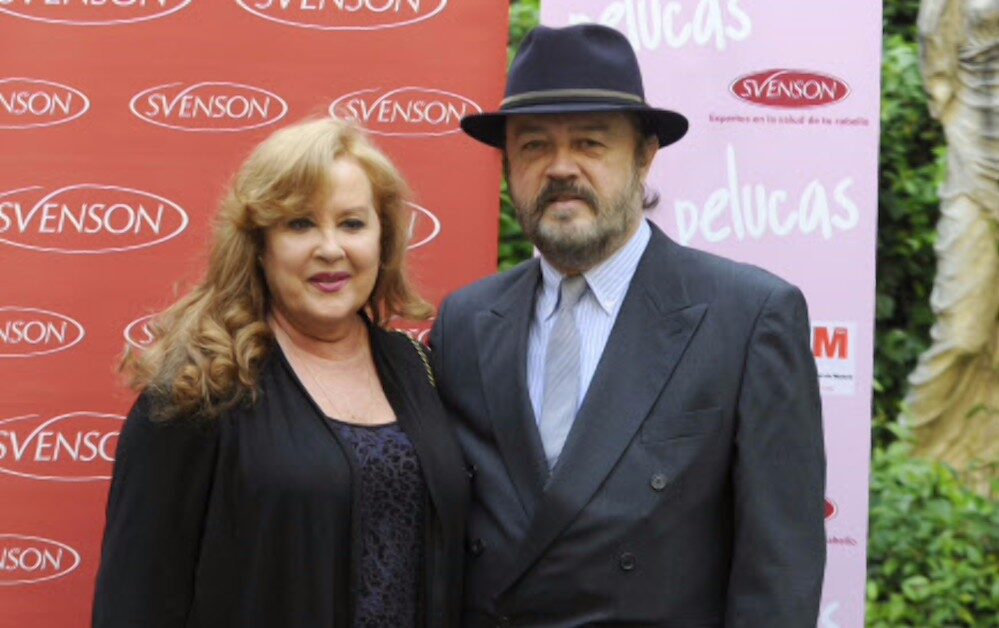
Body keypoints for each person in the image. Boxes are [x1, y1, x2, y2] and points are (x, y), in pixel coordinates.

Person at [430, 24, 826, 627]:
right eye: (533, 146)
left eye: (590, 143)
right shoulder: (464, 322)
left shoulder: (748, 318)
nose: (560, 168)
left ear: (644, 156)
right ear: (507, 166)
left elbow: (779, 578)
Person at [93, 118, 468, 627]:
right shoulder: (200, 388)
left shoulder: (416, 366)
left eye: (352, 224)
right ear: (259, 245)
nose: (330, 248)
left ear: (382, 240)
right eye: (300, 224)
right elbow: (135, 597)